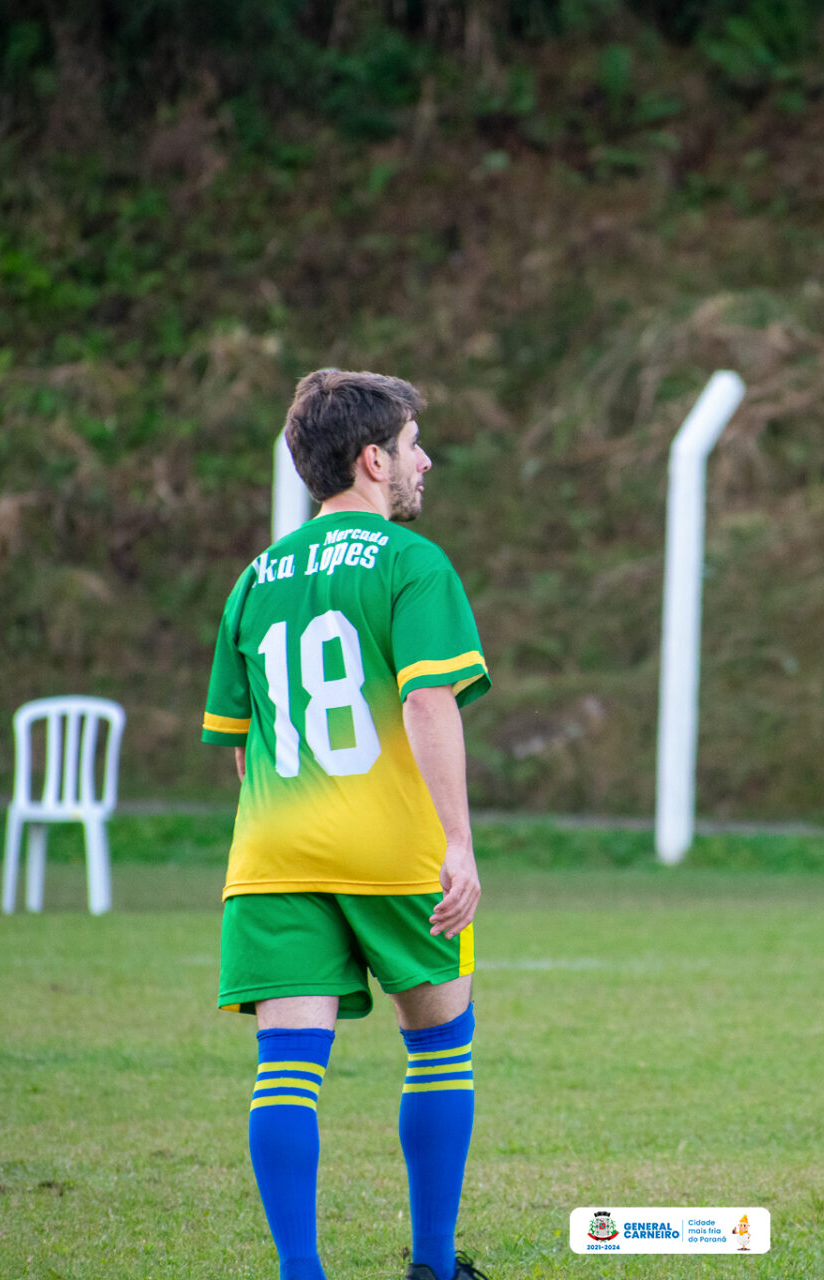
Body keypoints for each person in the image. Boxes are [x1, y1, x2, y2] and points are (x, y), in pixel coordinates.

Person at [201, 370, 492, 1280]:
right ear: (374, 459)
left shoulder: (254, 580)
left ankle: (301, 1272)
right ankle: (434, 1269)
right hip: (388, 850)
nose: (424, 460)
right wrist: (458, 841)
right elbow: (429, 705)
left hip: (272, 854)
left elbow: (242, 748)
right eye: (412, 445)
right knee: (440, 1048)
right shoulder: (413, 563)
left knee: (287, 1068)